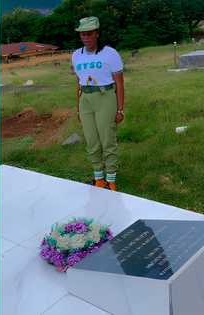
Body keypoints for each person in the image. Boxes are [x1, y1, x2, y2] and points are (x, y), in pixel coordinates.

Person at [72, 16, 125, 191]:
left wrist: (120, 109)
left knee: (107, 139)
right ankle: (98, 179)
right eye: (82, 34)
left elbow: (119, 82)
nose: (85, 37)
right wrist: (78, 107)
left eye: (89, 34)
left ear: (97, 34)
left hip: (105, 96)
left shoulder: (110, 53)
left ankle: (111, 180)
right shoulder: (76, 55)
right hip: (85, 99)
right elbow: (78, 83)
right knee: (91, 141)